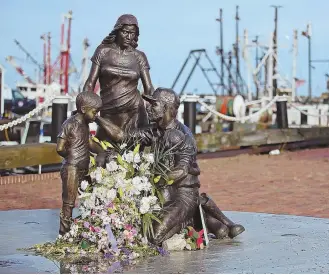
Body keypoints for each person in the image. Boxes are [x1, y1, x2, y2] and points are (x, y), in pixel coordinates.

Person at [94, 88, 245, 244]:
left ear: (166, 108)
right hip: (163, 193)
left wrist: (149, 177)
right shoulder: (156, 131)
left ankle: (191, 218)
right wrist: (97, 119)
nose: (148, 107)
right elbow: (122, 136)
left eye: (154, 104)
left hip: (183, 195)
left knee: (153, 237)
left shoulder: (181, 136)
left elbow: (181, 170)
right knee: (139, 226)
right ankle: (205, 220)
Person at [83, 14, 155, 141]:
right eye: (125, 32)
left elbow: (149, 88)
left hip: (135, 112)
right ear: (117, 30)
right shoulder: (102, 51)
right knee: (104, 151)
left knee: (134, 154)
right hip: (108, 112)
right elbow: (90, 83)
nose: (129, 36)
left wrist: (154, 111)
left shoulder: (139, 57)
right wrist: (83, 107)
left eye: (132, 33)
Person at [56, 92, 104, 235]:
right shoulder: (69, 124)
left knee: (90, 195)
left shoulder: (85, 125)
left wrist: (102, 151)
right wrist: (71, 157)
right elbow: (59, 148)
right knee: (69, 202)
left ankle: (88, 228)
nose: (96, 115)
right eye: (94, 112)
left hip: (83, 168)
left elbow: (89, 142)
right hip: (71, 168)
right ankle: (64, 233)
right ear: (83, 109)